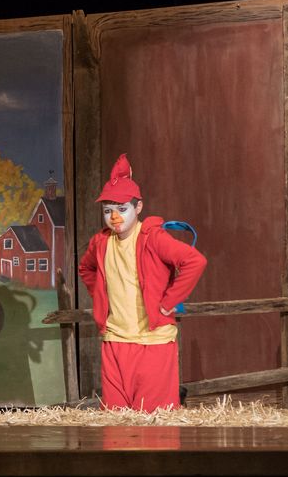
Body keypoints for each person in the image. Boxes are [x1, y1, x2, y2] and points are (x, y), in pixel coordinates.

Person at [78, 154, 207, 411]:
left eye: (122, 209)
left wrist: (169, 301)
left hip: (152, 342)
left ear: (138, 208)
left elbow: (195, 261)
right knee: (116, 420)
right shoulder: (101, 243)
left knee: (153, 420)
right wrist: (102, 297)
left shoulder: (152, 238)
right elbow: (86, 268)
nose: (114, 217)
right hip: (115, 341)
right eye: (107, 210)